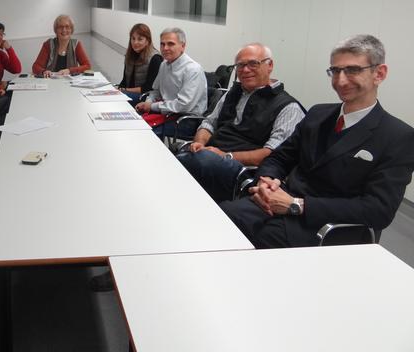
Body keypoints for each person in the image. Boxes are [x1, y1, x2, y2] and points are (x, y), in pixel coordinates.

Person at [221, 35, 414, 248]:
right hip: (275, 203)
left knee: (240, 244)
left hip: (324, 227)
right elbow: (280, 157)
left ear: (379, 73)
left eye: (352, 70)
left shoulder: (398, 136)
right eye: (335, 71)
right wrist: (267, 181)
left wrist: (297, 205)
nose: (340, 81)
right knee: (220, 218)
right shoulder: (318, 114)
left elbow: (378, 210)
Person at [177, 43, 304, 203]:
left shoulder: (288, 107)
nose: (245, 70)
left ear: (270, 65)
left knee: (188, 163)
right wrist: (199, 142)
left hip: (243, 170)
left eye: (253, 64)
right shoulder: (233, 93)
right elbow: (209, 123)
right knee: (180, 156)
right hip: (210, 155)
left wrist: (225, 156)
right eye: (240, 65)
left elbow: (272, 154)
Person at [135, 27, 207, 137]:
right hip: (167, 112)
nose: (165, 48)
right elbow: (156, 91)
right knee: (135, 124)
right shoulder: (164, 64)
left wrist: (152, 106)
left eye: (170, 44)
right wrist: (148, 103)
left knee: (144, 132)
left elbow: (183, 105)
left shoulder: (193, 70)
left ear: (183, 46)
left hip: (186, 119)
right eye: (162, 44)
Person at [118, 23, 163, 106]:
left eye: (140, 39)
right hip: (128, 92)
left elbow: (149, 87)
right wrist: (118, 89)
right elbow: (124, 81)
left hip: (146, 96)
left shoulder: (155, 58)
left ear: (147, 41)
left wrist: (125, 90)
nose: (135, 42)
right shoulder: (129, 55)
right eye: (133, 38)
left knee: (118, 98)